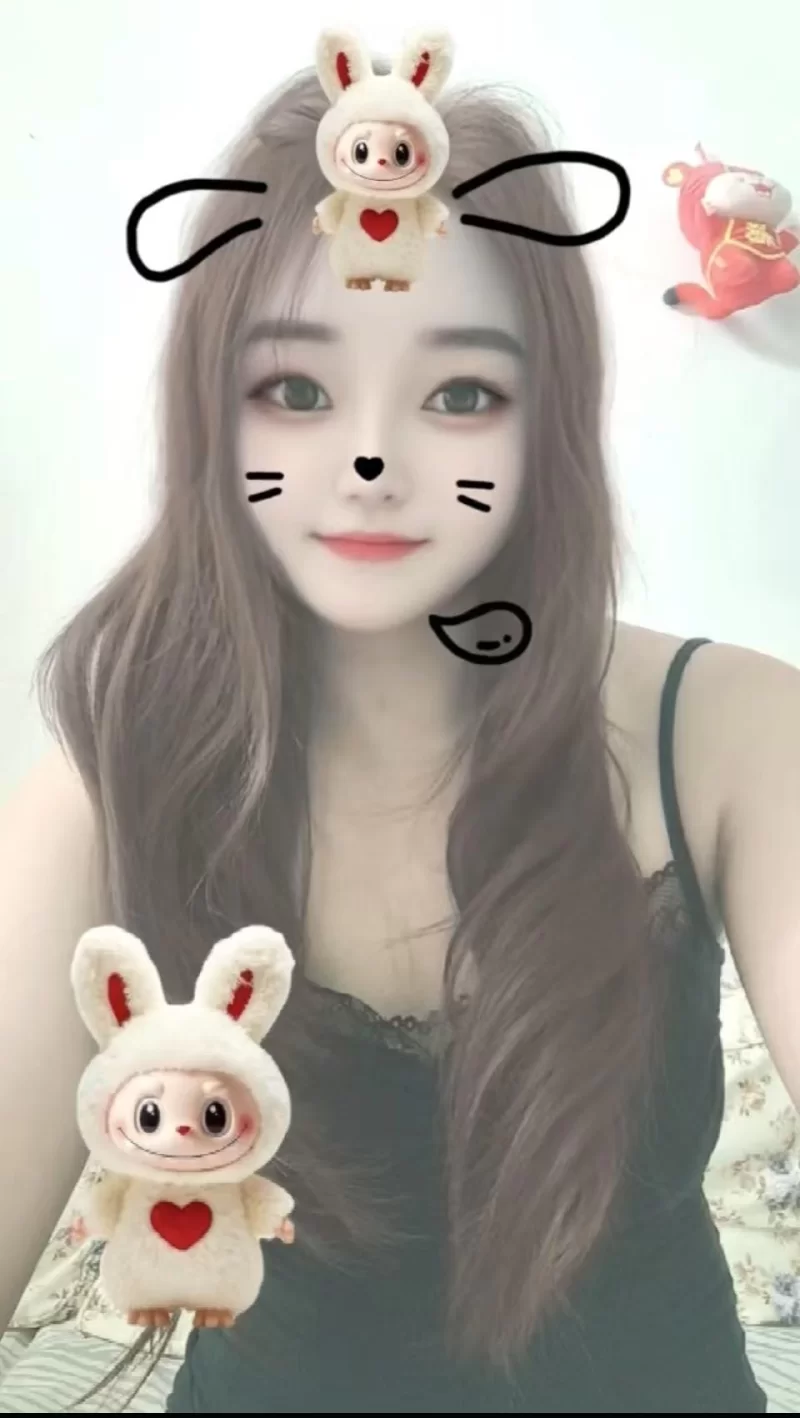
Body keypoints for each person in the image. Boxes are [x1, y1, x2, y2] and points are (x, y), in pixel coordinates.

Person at [4, 49, 800, 1416]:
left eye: (461, 394)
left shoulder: (734, 733)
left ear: (546, 420)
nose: (372, 459)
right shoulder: (108, 785)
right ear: (211, 410)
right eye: (298, 391)